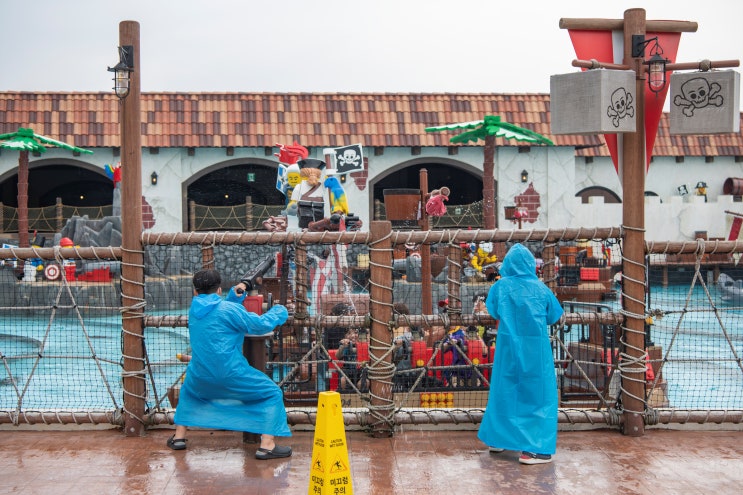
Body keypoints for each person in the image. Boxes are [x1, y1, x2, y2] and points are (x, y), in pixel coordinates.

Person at [169, 269, 292, 460]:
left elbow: (215, 311)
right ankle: (267, 446)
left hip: (201, 377)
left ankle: (179, 437)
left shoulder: (194, 309)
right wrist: (280, 311)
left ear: (195, 292)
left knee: (188, 390)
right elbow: (259, 325)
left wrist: (234, 296)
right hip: (231, 374)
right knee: (272, 393)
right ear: (219, 290)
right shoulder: (229, 310)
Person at [478, 243, 564, 465]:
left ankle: (499, 439)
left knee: (504, 391)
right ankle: (536, 449)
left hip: (507, 349)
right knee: (539, 396)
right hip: (536, 351)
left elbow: (493, 310)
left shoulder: (500, 287)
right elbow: (554, 314)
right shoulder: (541, 288)